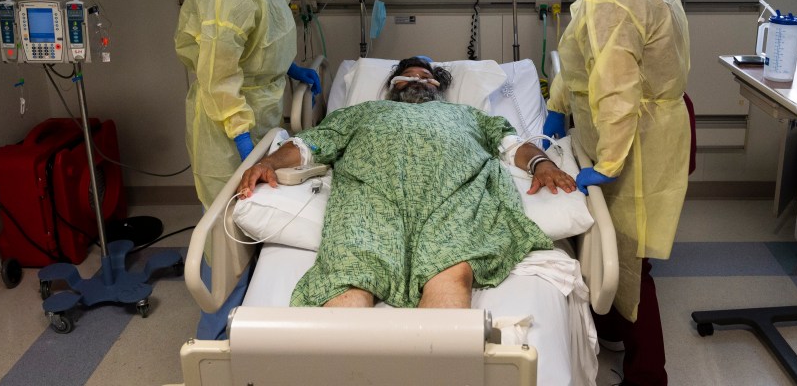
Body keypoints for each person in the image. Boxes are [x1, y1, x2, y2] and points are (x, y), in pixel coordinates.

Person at [237, 56, 578, 309]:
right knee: (350, 275)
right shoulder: (363, 112)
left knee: (452, 271)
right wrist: (269, 161)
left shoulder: (467, 115)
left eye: (427, 78)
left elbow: (512, 144)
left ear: (439, 87)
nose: (418, 80)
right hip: (371, 198)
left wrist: (541, 163)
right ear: (394, 85)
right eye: (408, 76)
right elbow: (311, 144)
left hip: (453, 198)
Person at [544, 0, 691, 386]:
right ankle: (609, 325)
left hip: (638, 141)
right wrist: (556, 106)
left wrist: (607, 163)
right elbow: (582, 58)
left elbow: (616, 88)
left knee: (629, 263)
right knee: (618, 250)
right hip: (641, 127)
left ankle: (648, 374)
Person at [175, 0, 327, 210]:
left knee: (258, 215)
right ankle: (210, 264)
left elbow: (262, 40)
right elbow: (219, 77)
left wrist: (290, 67)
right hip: (227, 130)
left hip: (263, 113)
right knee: (225, 225)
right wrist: (244, 143)